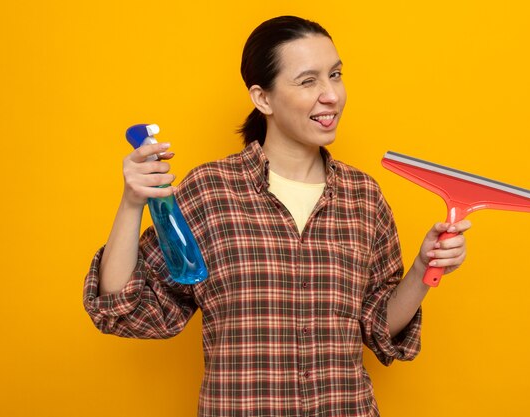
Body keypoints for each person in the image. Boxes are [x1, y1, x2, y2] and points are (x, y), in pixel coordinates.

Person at [83, 15, 471, 416]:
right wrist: (132, 202)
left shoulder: (363, 198)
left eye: (335, 75)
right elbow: (122, 309)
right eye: (308, 81)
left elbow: (379, 327)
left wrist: (423, 268)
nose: (331, 95)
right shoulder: (211, 191)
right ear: (262, 98)